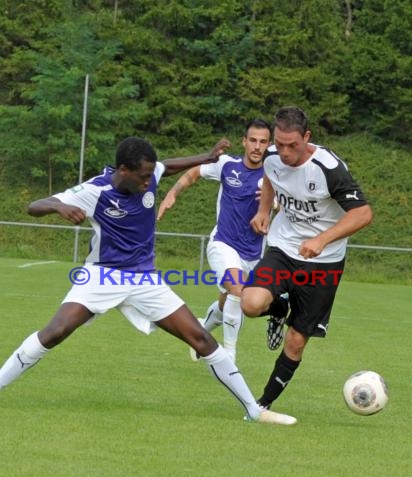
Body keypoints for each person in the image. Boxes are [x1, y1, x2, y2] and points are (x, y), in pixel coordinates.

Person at [0, 135, 297, 426]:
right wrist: (58, 206)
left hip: (145, 280)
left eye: (149, 175)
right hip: (102, 276)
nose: (148, 182)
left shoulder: (150, 172)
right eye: (142, 177)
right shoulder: (96, 190)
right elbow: (34, 206)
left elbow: (166, 166)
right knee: (54, 332)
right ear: (123, 171)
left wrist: (206, 158)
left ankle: (253, 410)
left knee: (201, 339)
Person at [241, 106, 373, 415]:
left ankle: (262, 405)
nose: (284, 152)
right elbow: (271, 179)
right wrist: (263, 211)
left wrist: (322, 239)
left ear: (307, 137)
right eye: (280, 143)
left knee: (297, 339)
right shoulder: (272, 157)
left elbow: (363, 212)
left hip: (324, 262)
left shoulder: (329, 168)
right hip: (284, 248)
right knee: (250, 303)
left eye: (292, 145)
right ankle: (279, 308)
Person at [157, 119, 288, 364]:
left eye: (263, 142)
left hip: (254, 253)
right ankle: (228, 357)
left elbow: (290, 208)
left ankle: (203, 331)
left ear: (269, 144)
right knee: (237, 291)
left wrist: (276, 202)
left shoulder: (276, 177)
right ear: (244, 141)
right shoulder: (228, 166)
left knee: (227, 300)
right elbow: (195, 172)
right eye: (253, 140)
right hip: (223, 244)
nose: (257, 147)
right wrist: (172, 194)